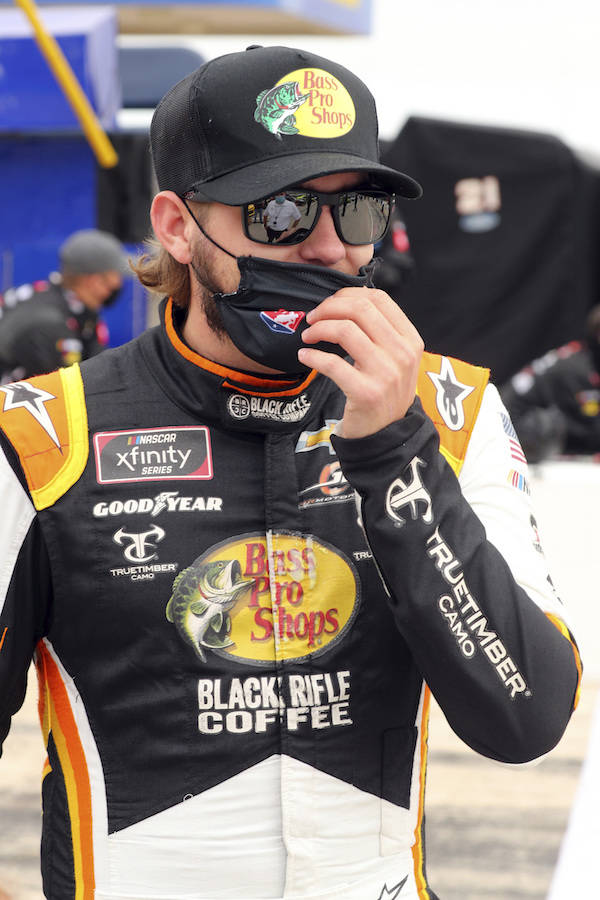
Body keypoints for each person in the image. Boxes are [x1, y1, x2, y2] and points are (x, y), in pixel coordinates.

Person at [0, 45, 581, 900]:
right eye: (279, 211)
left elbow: (526, 717)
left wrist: (394, 452)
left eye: (359, 215)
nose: (325, 248)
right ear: (175, 225)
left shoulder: (452, 414)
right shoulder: (42, 436)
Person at [0, 228, 128, 383]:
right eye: (117, 276)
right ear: (94, 281)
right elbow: (68, 393)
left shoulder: (63, 302)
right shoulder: (49, 325)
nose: (120, 283)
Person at [499, 304, 600, 463]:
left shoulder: (584, 357)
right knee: (553, 424)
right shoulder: (578, 369)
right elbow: (591, 427)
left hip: (531, 422)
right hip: (513, 426)